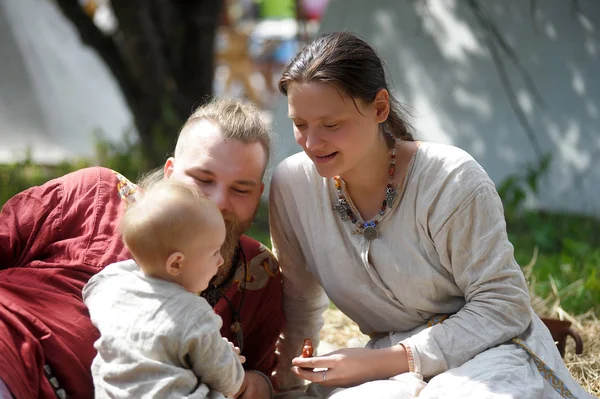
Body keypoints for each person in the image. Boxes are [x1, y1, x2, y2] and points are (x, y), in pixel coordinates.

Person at [269, 32, 593, 398]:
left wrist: (381, 361)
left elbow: (504, 306)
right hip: (387, 373)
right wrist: (286, 387)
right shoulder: (293, 186)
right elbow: (298, 301)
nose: (312, 143)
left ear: (379, 108)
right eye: (300, 125)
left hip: (489, 352)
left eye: (331, 125)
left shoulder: (451, 178)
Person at [0, 98, 283, 399]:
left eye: (241, 190)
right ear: (170, 172)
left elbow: (262, 380)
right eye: (202, 179)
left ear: (258, 194)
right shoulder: (96, 193)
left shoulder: (257, 274)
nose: (218, 202)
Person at [83, 179, 245, 398]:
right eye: (215, 252)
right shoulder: (193, 314)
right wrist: (229, 356)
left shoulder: (111, 286)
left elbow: (92, 287)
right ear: (176, 263)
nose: (221, 262)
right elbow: (229, 382)